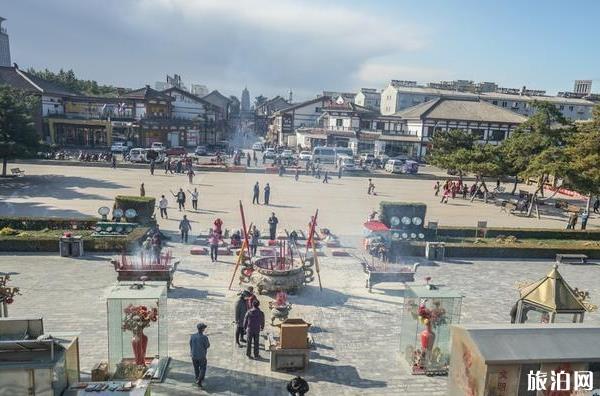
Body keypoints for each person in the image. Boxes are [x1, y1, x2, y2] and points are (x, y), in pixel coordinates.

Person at [189, 323, 210, 388]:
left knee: (196, 368)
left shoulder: (192, 336)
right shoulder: (204, 337)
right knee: (203, 368)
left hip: (194, 355)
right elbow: (207, 345)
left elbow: (190, 344)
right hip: (201, 356)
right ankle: (199, 380)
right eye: (204, 328)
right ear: (202, 329)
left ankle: (197, 378)